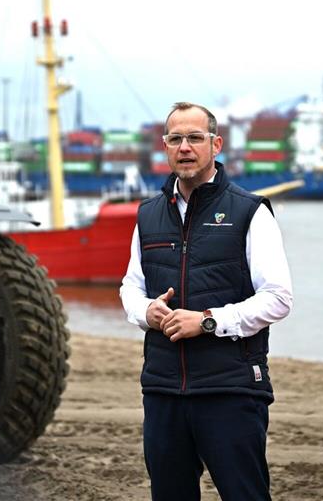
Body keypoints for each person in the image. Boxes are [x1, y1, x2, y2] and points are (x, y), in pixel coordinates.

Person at [119, 101, 293, 501]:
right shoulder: (147, 215)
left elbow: (279, 298)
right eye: (176, 138)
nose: (185, 147)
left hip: (230, 390)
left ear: (216, 145)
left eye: (195, 138)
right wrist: (147, 311)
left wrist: (209, 321)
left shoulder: (250, 212)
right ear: (164, 147)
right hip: (163, 390)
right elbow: (130, 286)